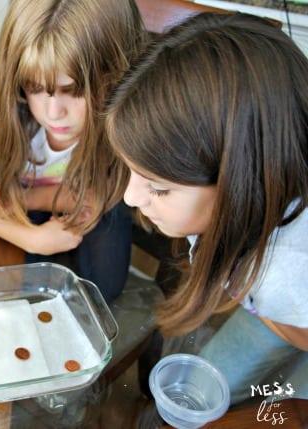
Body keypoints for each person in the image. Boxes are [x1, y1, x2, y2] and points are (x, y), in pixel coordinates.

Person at [106, 12, 308, 404]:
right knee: (196, 390)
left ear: (241, 184)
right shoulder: (242, 196)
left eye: (159, 188)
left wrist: (258, 301)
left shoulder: (286, 272)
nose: (131, 197)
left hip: (290, 314)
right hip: (271, 302)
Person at [0, 0, 144, 303]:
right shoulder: (5, 103)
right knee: (22, 292)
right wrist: (32, 237)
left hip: (94, 199)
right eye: (34, 87)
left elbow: (97, 197)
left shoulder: (127, 115)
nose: (54, 113)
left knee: (103, 291)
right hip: (30, 202)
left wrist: (26, 198)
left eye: (74, 90)